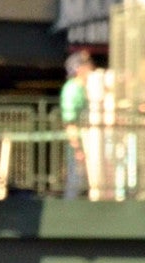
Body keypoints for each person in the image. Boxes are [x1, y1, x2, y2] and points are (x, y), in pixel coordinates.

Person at [60, 50, 94, 199]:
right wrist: (77, 148)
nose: (91, 66)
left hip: (91, 142)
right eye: (87, 64)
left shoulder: (86, 88)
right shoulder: (71, 89)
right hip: (79, 144)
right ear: (79, 69)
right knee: (76, 180)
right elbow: (69, 122)